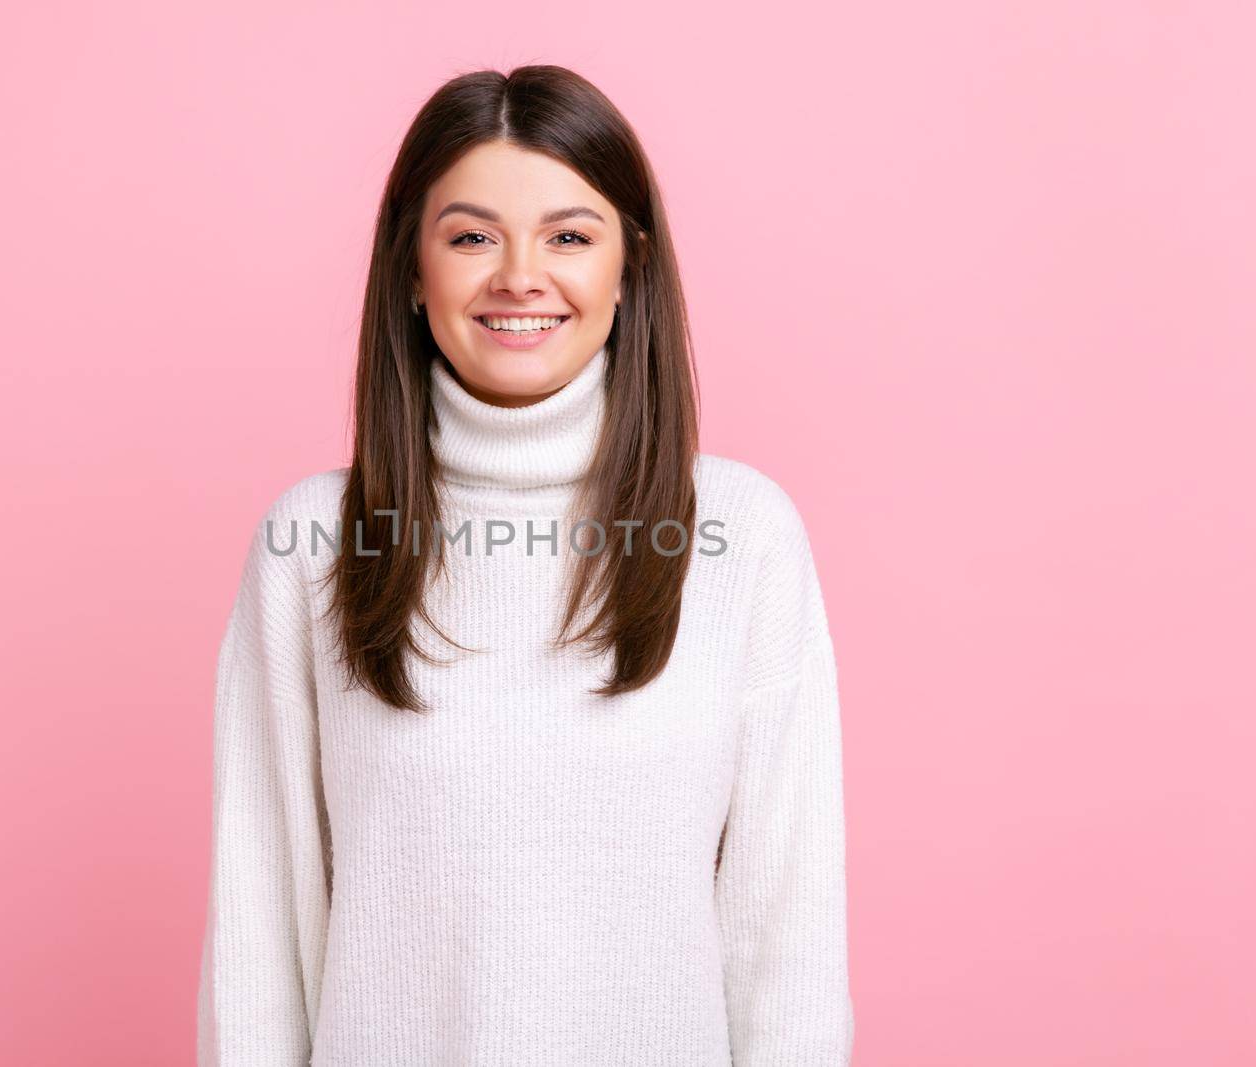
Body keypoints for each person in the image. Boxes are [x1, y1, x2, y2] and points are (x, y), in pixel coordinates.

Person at [198, 65, 854, 1066]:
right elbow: (258, 934)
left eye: (568, 236)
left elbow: (786, 940)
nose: (518, 275)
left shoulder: (737, 535)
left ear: (628, 267)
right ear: (411, 271)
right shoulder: (312, 545)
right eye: (469, 236)